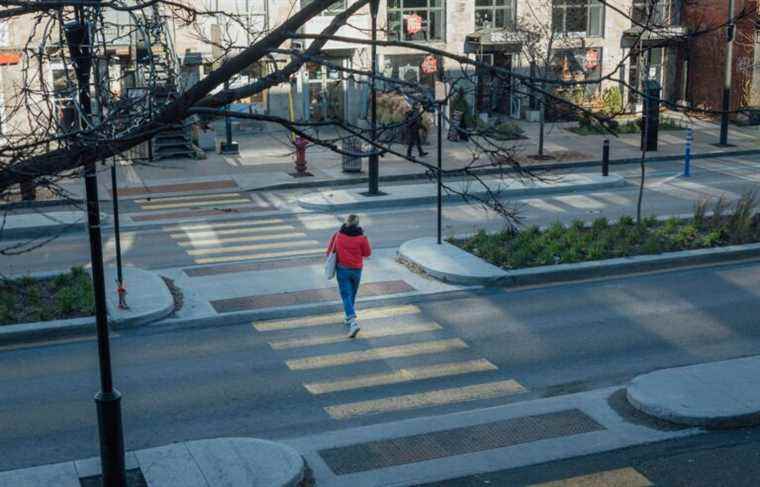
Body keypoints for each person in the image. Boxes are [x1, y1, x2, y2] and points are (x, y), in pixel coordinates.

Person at [327, 214, 372, 338]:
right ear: (357, 224)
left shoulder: (338, 236)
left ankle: (353, 322)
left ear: (345, 223)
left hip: (342, 269)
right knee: (352, 293)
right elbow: (367, 253)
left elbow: (329, 251)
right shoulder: (362, 238)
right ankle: (348, 316)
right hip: (357, 270)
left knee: (346, 294)